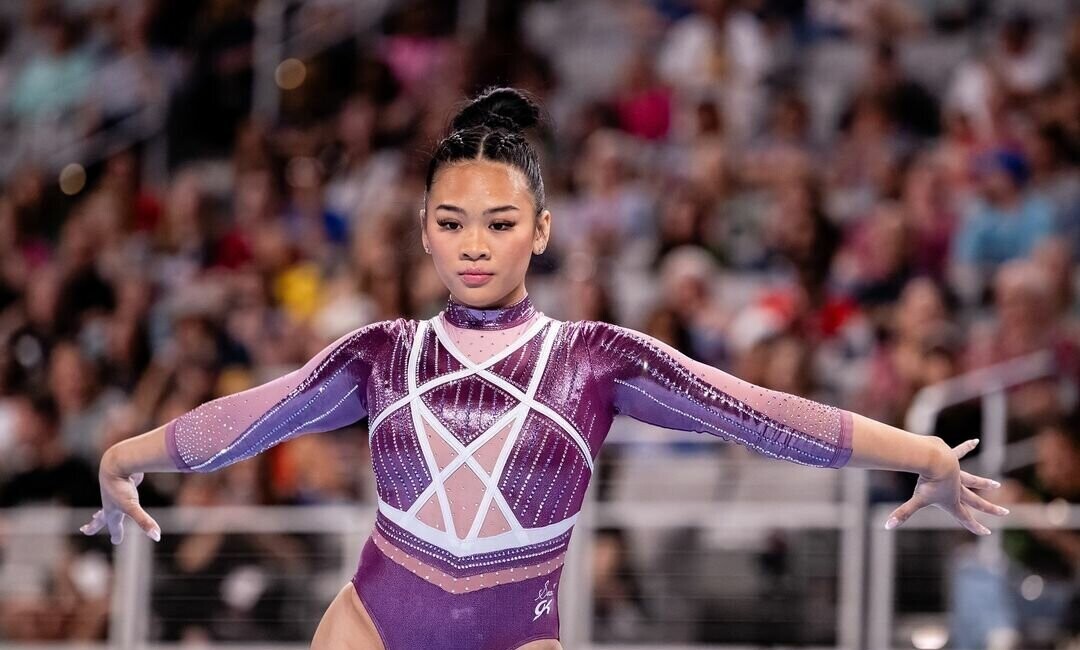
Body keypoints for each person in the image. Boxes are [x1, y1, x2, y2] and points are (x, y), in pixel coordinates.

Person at [80, 86, 1009, 650]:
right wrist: (125, 456)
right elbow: (249, 417)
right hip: (372, 626)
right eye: (451, 223)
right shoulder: (381, 352)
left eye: (500, 223)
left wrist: (922, 452)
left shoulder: (595, 360)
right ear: (424, 231)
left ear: (543, 230)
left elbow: (758, 412)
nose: (473, 245)